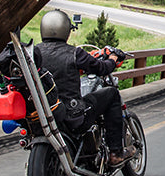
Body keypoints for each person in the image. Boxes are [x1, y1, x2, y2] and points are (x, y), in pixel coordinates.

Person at [34, 9, 135, 166]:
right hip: (72, 115)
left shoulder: (33, 53)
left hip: (41, 114)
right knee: (112, 94)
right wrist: (113, 60)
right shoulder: (74, 53)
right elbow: (102, 68)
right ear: (66, 30)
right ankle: (116, 152)